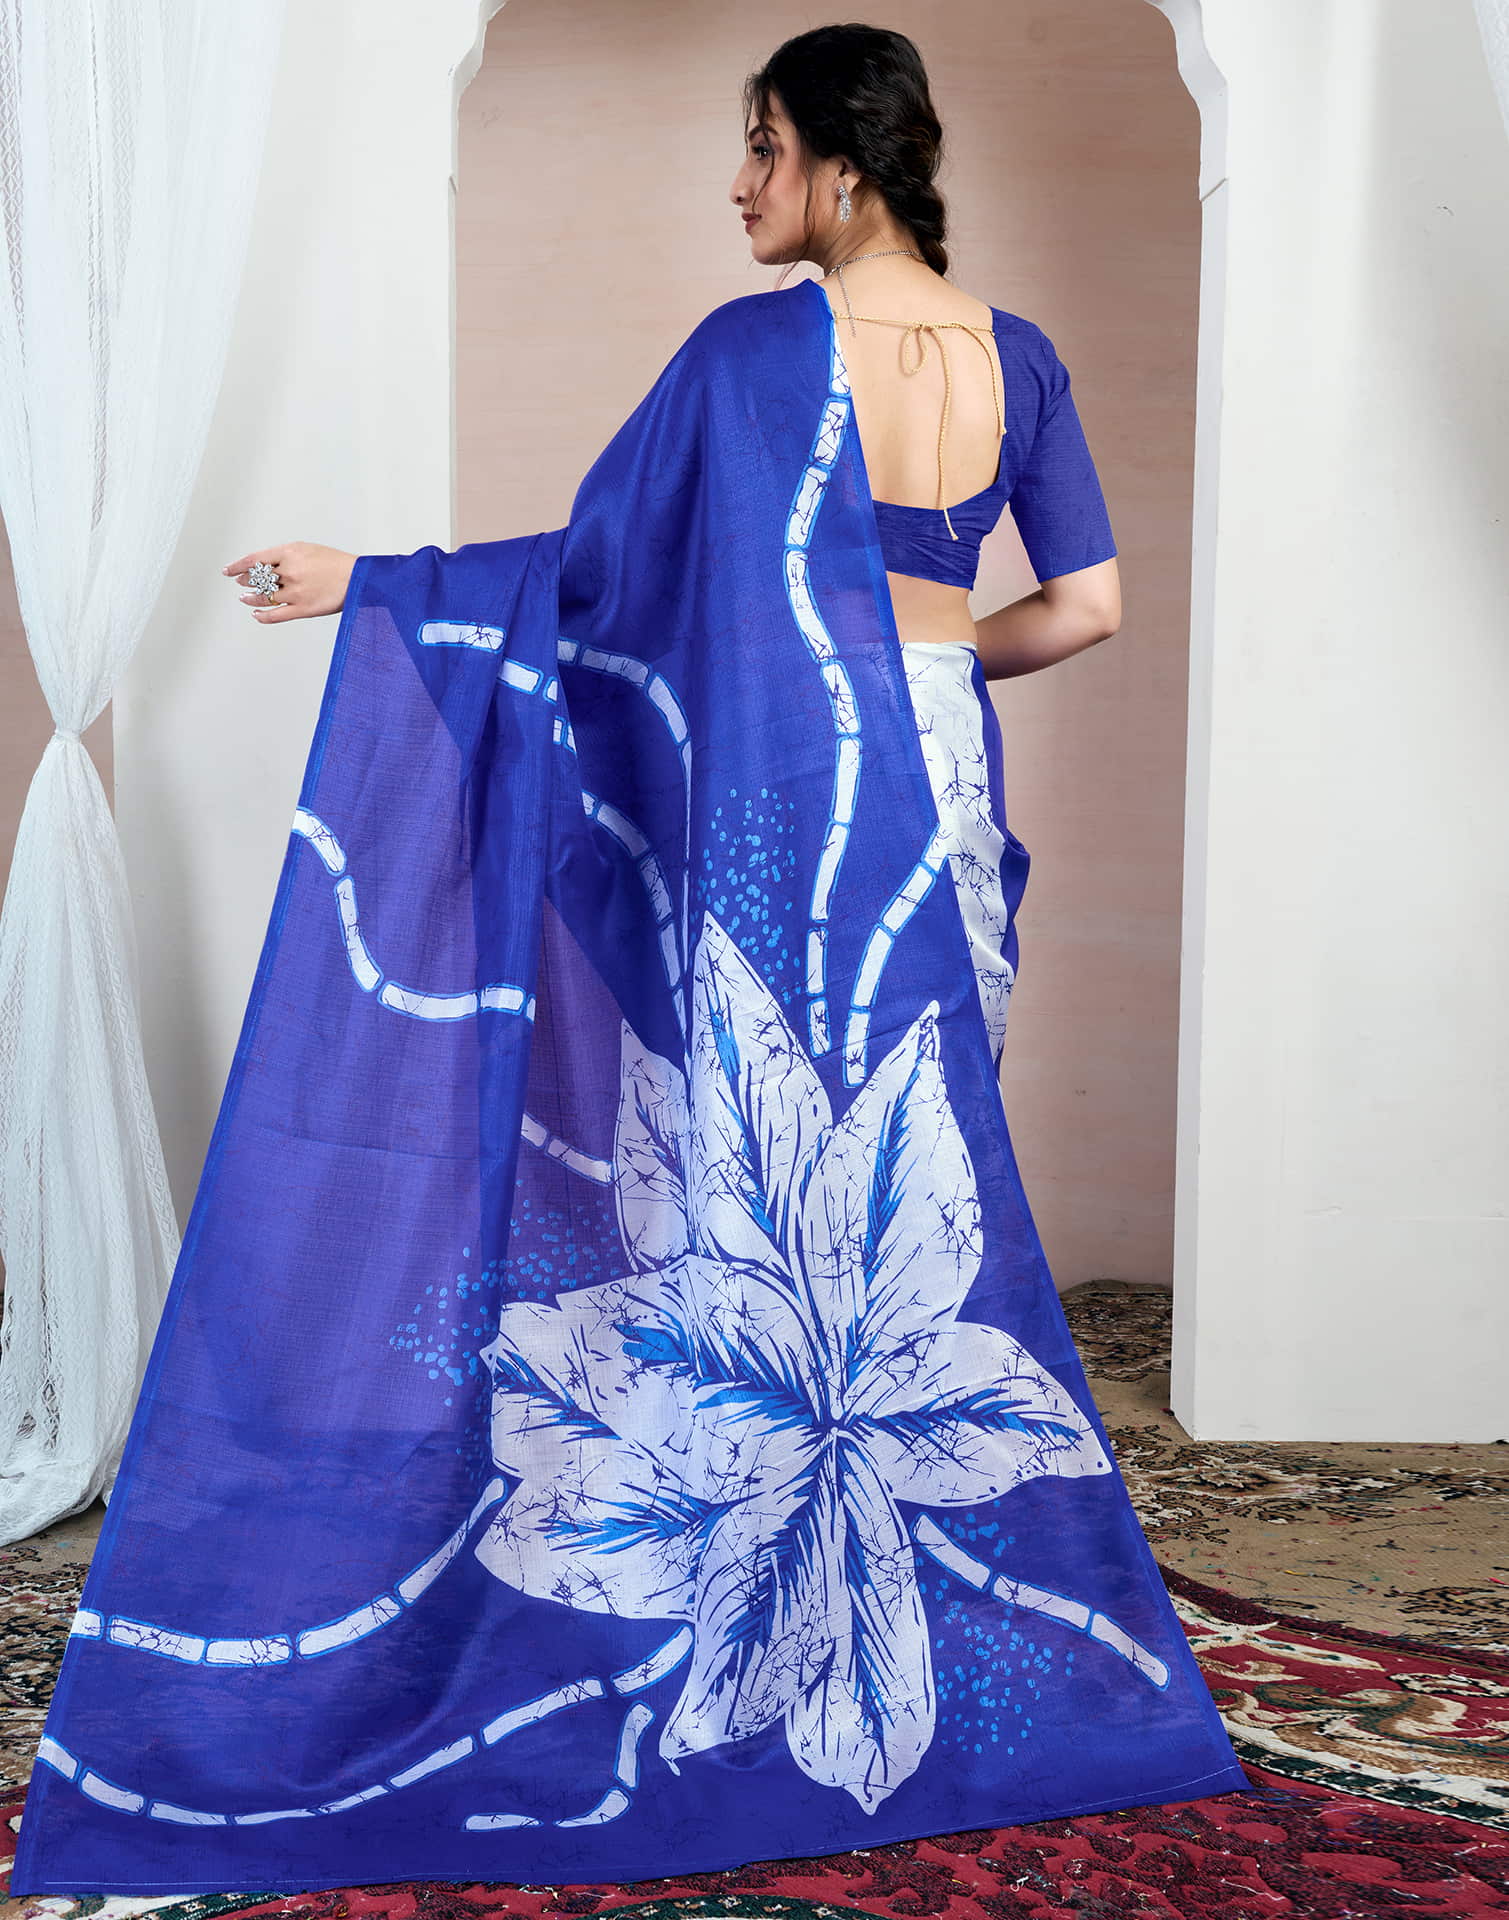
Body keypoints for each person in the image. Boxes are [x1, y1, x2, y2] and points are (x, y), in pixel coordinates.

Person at [13, 24, 1245, 1900]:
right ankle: (893, 1603)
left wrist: (382, 582)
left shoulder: (758, 355)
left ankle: (714, 1597)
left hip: (796, 778)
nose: (738, 188)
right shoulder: (1023, 356)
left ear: (840, 163)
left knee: (749, 1164)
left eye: (759, 149)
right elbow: (1084, 608)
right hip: (936, 773)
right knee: (905, 1180)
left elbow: (608, 579)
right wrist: (914, 660)